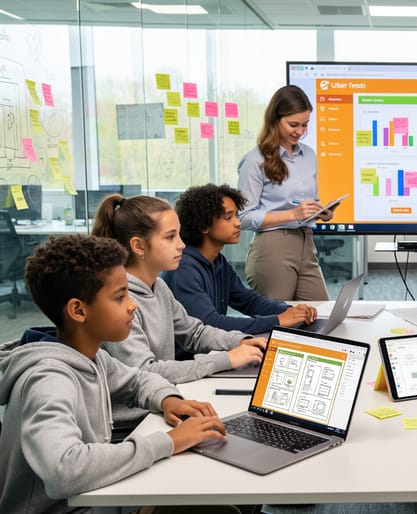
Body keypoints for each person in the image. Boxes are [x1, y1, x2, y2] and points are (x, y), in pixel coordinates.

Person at [0, 235, 226, 513]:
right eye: (120, 297)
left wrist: (169, 400)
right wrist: (169, 441)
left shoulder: (91, 356)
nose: (133, 305)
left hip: (96, 499)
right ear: (78, 311)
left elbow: (138, 380)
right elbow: (65, 470)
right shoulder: (49, 380)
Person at [92, 194, 266, 424]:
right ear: (138, 245)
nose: (182, 244)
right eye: (170, 237)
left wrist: (241, 342)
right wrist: (226, 360)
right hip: (135, 422)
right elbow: (147, 370)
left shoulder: (159, 286)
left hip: (164, 405)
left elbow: (194, 333)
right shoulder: (120, 302)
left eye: (179, 235)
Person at [162, 183, 318, 334]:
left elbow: (249, 301)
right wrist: (277, 320)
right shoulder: (184, 268)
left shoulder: (218, 262)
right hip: (191, 358)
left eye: (236, 215)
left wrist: (289, 311)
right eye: (228, 217)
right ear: (203, 226)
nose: (238, 223)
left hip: (214, 349)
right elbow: (210, 323)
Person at [238, 84, 339, 302]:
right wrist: (293, 214)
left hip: (306, 243)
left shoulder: (309, 156)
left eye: (305, 125)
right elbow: (243, 217)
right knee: (279, 322)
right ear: (275, 119)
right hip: (272, 247)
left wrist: (320, 211)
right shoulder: (255, 160)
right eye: (293, 124)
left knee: (320, 314)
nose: (300, 131)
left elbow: (309, 201)